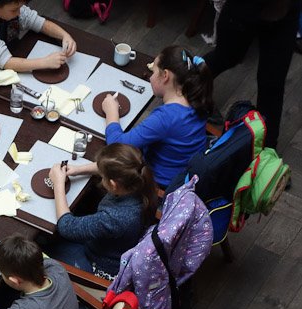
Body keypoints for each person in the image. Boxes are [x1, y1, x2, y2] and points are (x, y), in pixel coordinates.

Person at [103, 45, 213, 187]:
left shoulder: (165, 118)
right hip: (185, 172)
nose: (150, 78)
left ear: (165, 75)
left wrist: (111, 111)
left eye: (154, 71)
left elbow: (116, 145)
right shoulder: (196, 96)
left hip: (161, 184)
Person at [45, 143, 158, 279]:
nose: (102, 177)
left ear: (114, 184)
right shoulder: (139, 180)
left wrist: (58, 184)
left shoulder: (116, 218)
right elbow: (108, 167)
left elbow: (66, 226)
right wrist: (78, 170)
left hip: (98, 262)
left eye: (104, 177)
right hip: (111, 243)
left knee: (46, 246)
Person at [204, 0, 300, 148]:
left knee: (272, 82)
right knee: (226, 57)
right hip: (244, 8)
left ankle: (265, 153)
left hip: (285, 9)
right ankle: (182, 87)